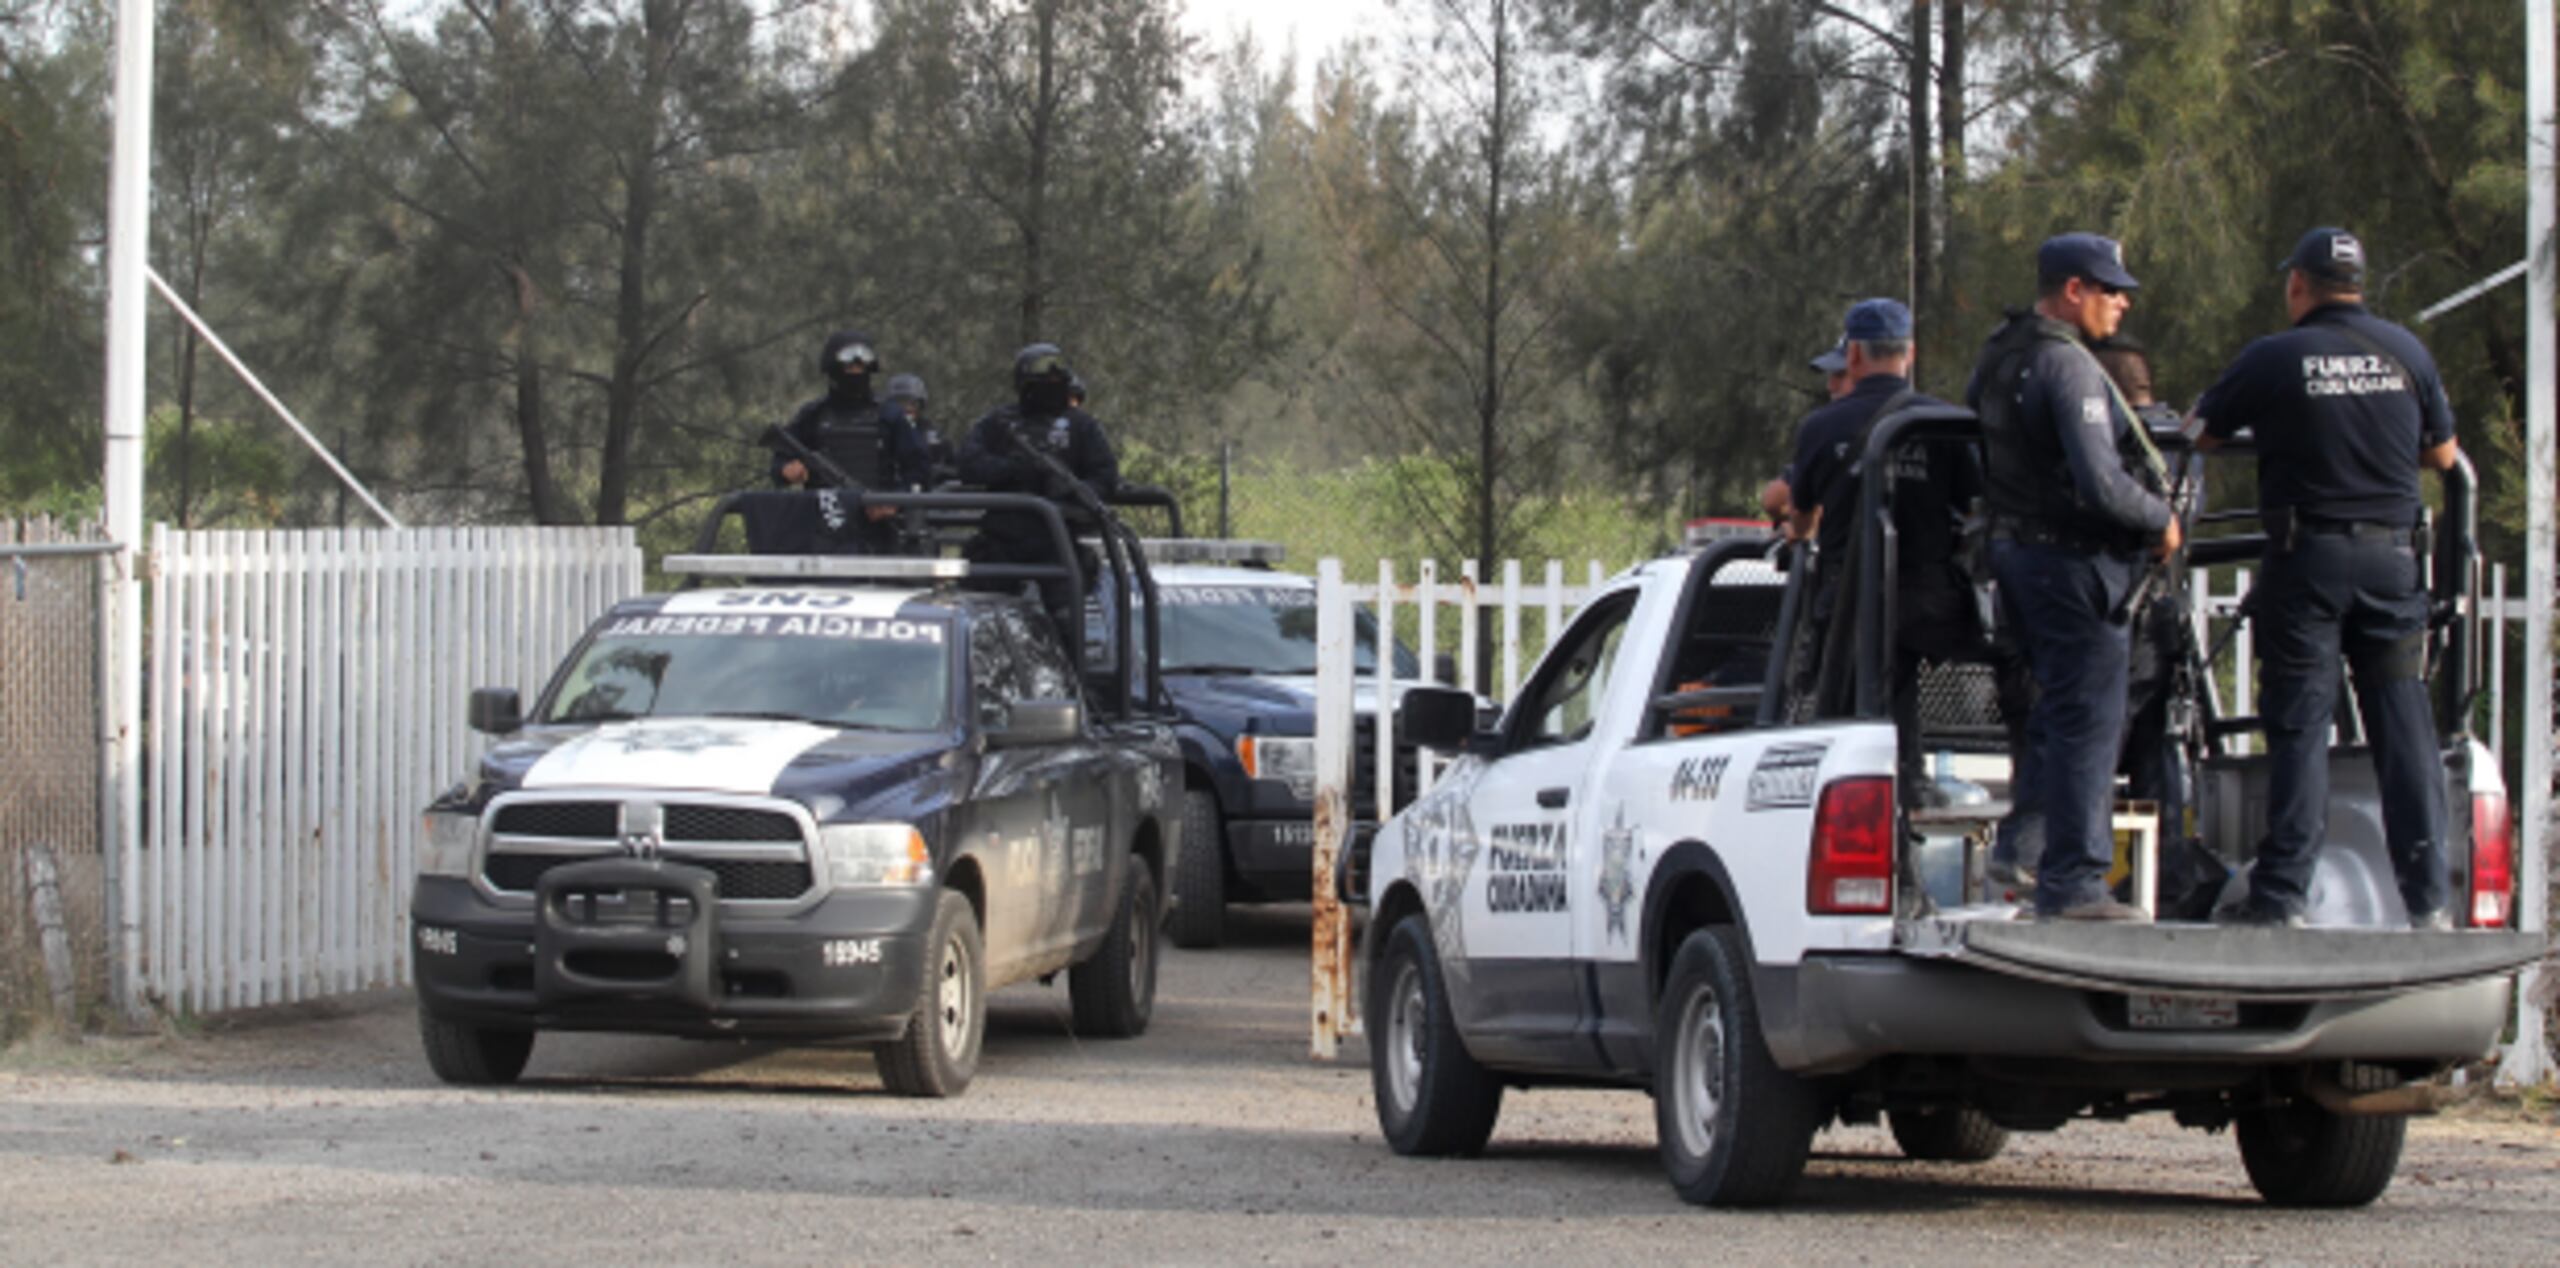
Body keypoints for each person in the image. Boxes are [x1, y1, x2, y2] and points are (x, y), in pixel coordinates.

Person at [2191, 227, 2461, 930]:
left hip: (2307, 563)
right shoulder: (2406, 351)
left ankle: (2282, 899)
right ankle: (2429, 900)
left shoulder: (2277, 356)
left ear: (2298, 286)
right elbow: (2444, 453)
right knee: (2405, 732)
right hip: (2392, 564)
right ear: (2359, 285)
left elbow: (2202, 433)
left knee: (2301, 728)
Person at [1966, 233, 2179, 922]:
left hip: (2015, 558)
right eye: (2109, 289)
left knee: (2058, 715)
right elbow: (2100, 482)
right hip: (2072, 565)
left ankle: (2023, 843)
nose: (2121, 303)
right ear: (2072, 290)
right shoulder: (2068, 366)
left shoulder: (1999, 356)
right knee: (2091, 719)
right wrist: (2158, 520)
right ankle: (2076, 883)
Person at [2091, 334, 2204, 898]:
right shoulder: (2184, 446)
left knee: (2095, 748)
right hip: (2167, 618)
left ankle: (2079, 872)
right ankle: (2171, 879)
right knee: (2160, 757)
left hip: (2120, 613)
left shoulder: (2116, 441)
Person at [960, 343, 1122, 640]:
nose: (1052, 379)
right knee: (980, 625)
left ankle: (1075, 682)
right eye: (1043, 372)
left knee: (1068, 625)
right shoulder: (1000, 423)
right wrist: (1012, 468)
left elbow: (1106, 476)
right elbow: (968, 465)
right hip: (1003, 538)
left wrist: (1074, 490)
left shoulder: (1081, 426)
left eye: (1057, 371)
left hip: (1056, 538)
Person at [772, 330, 930, 551]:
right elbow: (780, 459)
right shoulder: (813, 415)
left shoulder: (890, 415)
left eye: (862, 366)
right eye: (849, 366)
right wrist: (787, 470)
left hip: (878, 530)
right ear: (833, 369)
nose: (856, 372)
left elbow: (918, 469)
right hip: (823, 528)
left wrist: (895, 502)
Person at [1760, 339, 1854, 532]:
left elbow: (1774, 500)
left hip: (1843, 559)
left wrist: (1803, 529)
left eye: (1840, 375)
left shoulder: (1826, 427)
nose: (1830, 386)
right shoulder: (1926, 420)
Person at [885, 372, 955, 485]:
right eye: (899, 403)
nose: (906, 408)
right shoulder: (882, 434)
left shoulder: (935, 435)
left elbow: (954, 468)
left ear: (921, 405)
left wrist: (939, 472)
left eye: (912, 403)